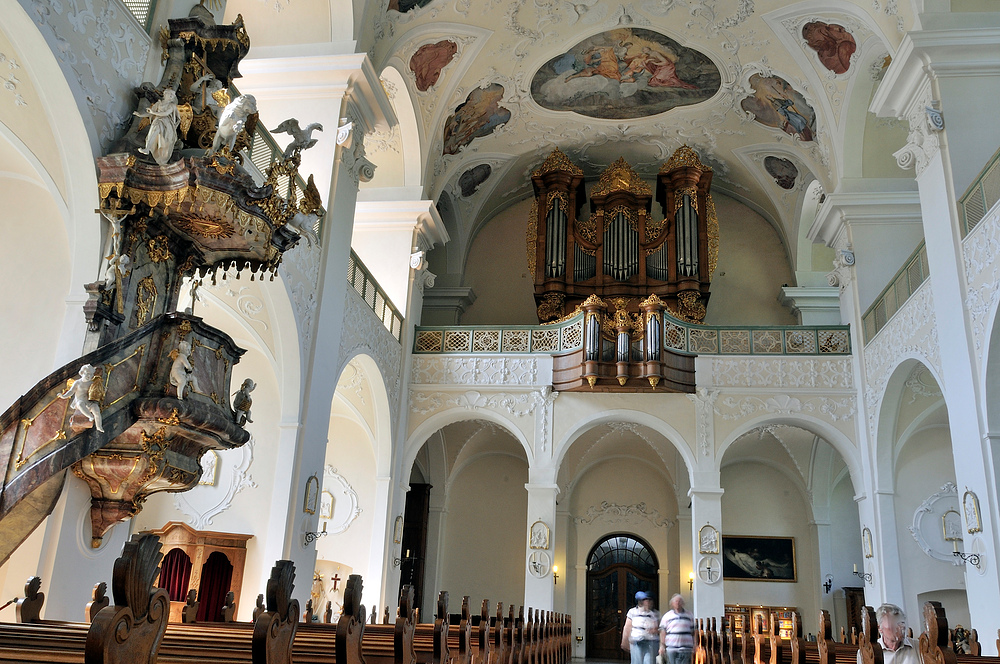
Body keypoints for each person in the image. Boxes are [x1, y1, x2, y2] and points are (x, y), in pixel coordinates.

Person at [856, 604, 920, 664]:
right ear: (879, 628)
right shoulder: (866, 652)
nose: (901, 627)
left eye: (902, 622)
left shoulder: (918, 647)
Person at [622, 591, 661, 664]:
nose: (648, 602)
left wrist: (655, 630)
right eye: (646, 600)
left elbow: (660, 629)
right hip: (637, 641)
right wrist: (625, 640)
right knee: (637, 662)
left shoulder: (656, 614)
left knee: (649, 662)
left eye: (650, 600)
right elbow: (627, 626)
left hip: (651, 642)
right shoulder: (632, 612)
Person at [659, 594, 694, 664]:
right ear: (672, 604)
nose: (678, 603)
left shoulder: (690, 615)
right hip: (672, 649)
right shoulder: (667, 616)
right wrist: (662, 646)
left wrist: (695, 644)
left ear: (683, 603)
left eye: (680, 601)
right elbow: (663, 632)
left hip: (686, 648)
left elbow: (694, 631)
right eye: (676, 601)